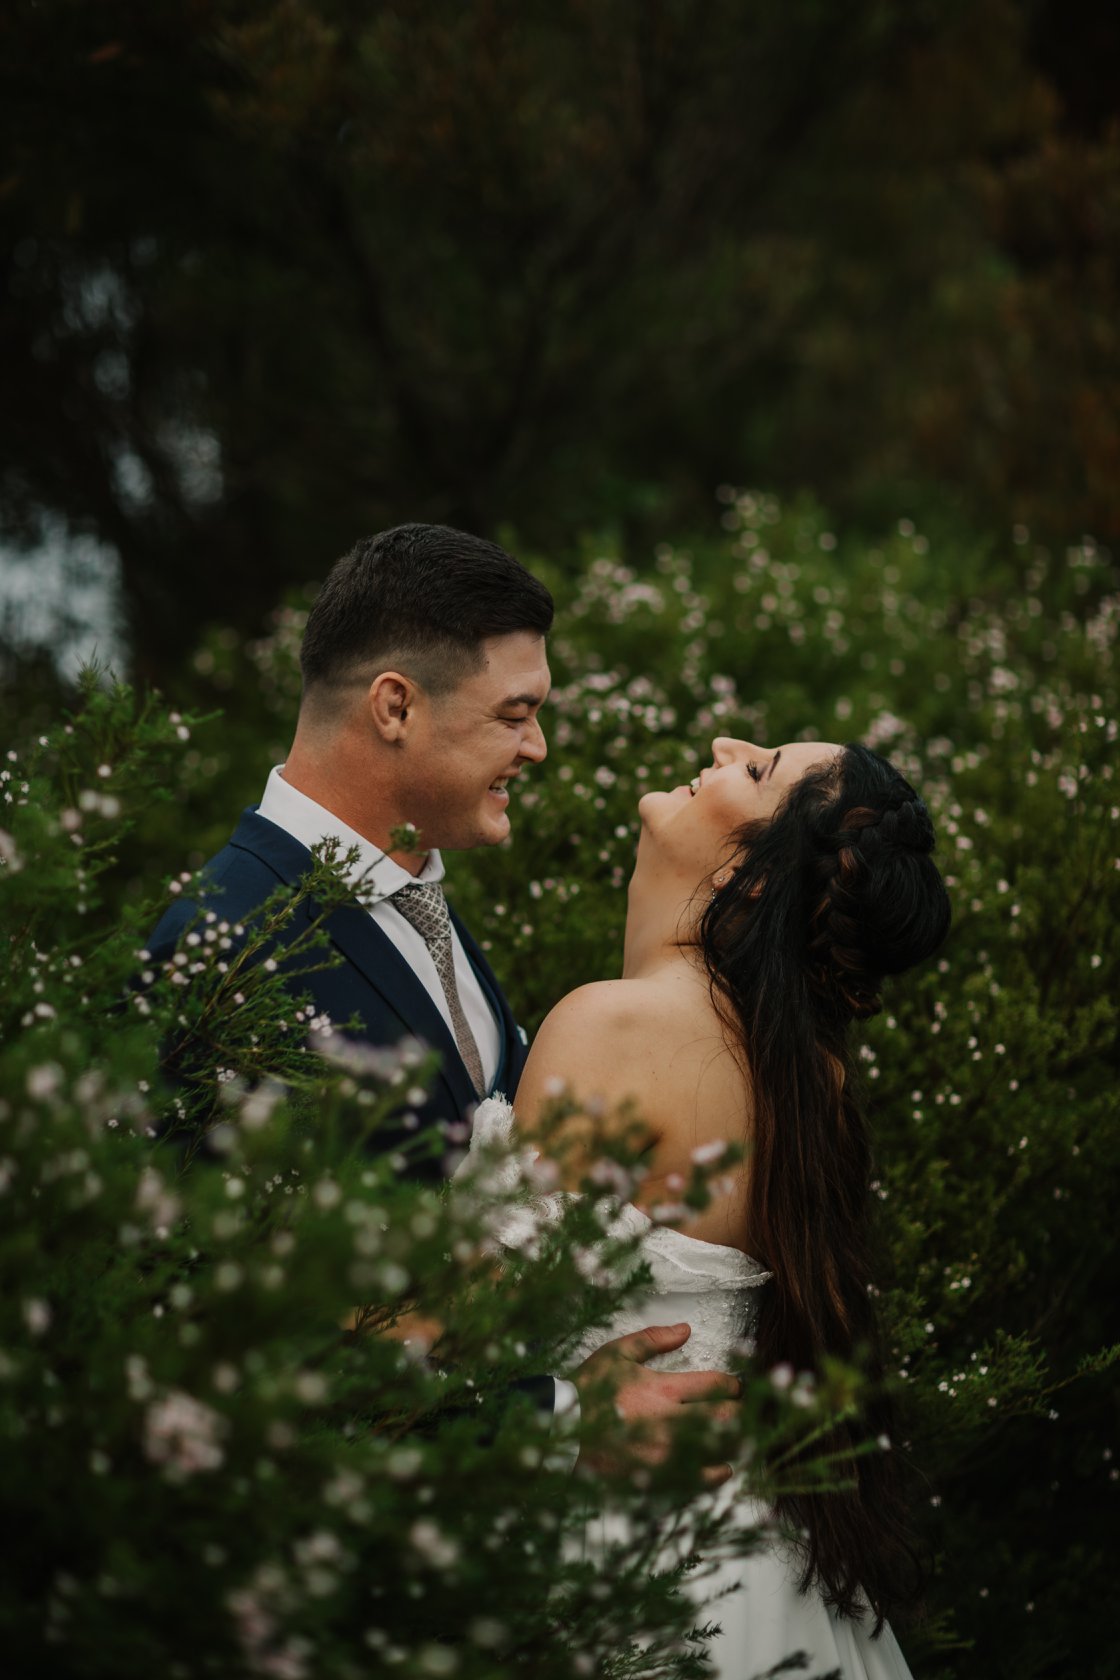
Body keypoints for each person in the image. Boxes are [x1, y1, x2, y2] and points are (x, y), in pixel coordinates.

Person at [146, 521, 738, 1454]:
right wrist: (555, 1417)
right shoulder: (226, 942)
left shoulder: (421, 900)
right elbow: (220, 1337)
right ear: (395, 707)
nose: (538, 748)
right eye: (514, 714)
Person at [469, 734, 951, 1678]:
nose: (726, 744)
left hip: (626, 1541)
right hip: (761, 1552)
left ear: (754, 877)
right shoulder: (805, 1072)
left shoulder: (615, 1026)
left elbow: (463, 1333)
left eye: (759, 769)